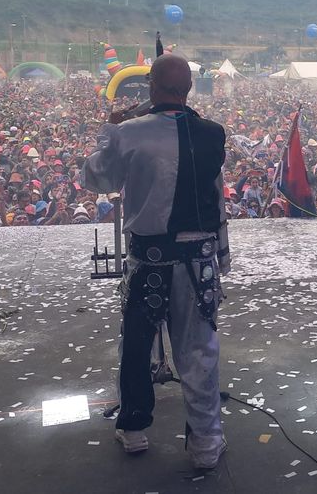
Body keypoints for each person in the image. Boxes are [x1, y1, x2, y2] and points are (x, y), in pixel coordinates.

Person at [82, 55, 230, 469]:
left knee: (138, 345)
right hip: (199, 261)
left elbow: (98, 180)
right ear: (188, 89)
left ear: (150, 86)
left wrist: (109, 131)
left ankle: (133, 430)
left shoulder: (129, 133)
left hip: (150, 259)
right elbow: (216, 198)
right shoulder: (213, 134)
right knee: (200, 351)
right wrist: (222, 254)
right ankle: (205, 443)